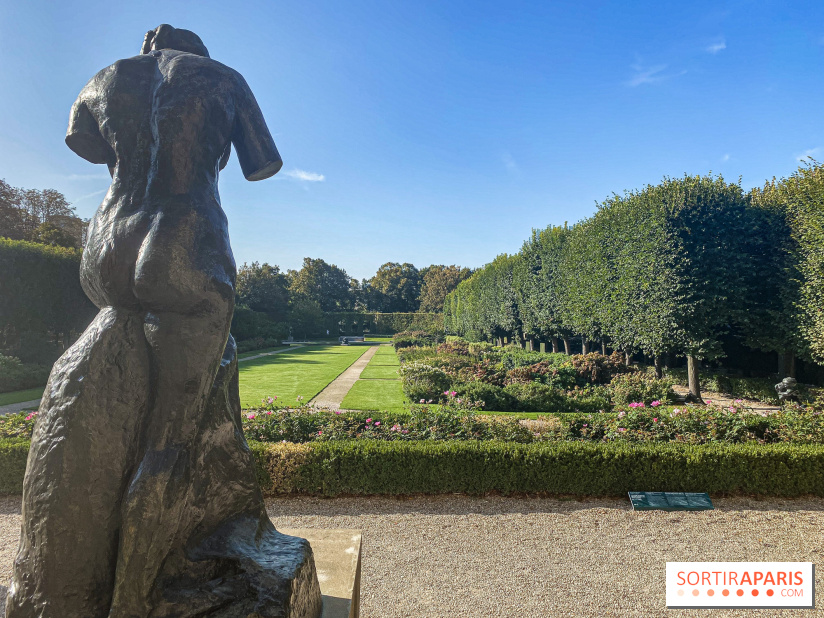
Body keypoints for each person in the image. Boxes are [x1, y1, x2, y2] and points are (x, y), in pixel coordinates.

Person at [7, 25, 321, 617]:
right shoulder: (224, 79)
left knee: (101, 404)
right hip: (183, 240)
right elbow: (262, 165)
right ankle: (135, 597)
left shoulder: (104, 79)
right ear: (197, 51)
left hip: (106, 246)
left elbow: (87, 143)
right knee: (169, 441)